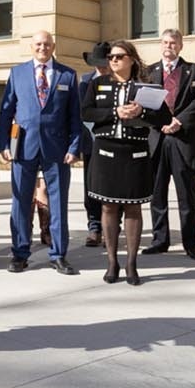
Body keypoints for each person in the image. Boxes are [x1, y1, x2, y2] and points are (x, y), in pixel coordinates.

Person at [82, 40, 171, 285]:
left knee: (133, 207)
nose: (114, 60)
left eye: (119, 56)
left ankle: (132, 263)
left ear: (131, 59)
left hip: (135, 152)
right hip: (106, 151)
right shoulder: (98, 84)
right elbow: (86, 112)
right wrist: (114, 113)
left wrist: (141, 112)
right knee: (108, 207)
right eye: (111, 57)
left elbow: (164, 117)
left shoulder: (146, 88)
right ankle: (112, 261)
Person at [0, 30, 82, 275]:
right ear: (31, 46)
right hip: (23, 148)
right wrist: (4, 144)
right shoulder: (17, 73)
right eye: (38, 44)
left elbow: (74, 116)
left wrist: (74, 147)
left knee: (57, 204)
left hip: (57, 150)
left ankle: (58, 254)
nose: (42, 48)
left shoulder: (67, 74)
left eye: (47, 44)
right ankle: (20, 253)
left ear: (53, 46)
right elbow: (5, 112)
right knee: (21, 203)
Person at [142, 29, 195, 260]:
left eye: (173, 42)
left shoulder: (194, 71)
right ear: (160, 45)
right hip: (157, 141)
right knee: (157, 194)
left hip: (183, 140)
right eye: (165, 42)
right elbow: (144, 105)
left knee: (187, 196)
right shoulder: (149, 72)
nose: (168, 46)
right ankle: (160, 240)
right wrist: (161, 122)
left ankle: (191, 244)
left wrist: (178, 122)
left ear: (180, 46)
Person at [77, 42, 112, 247]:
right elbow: (82, 112)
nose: (102, 68)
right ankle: (94, 226)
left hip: (112, 142)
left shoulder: (119, 81)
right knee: (91, 186)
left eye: (104, 63)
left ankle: (111, 228)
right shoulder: (85, 82)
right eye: (98, 64)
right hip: (91, 142)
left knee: (112, 186)